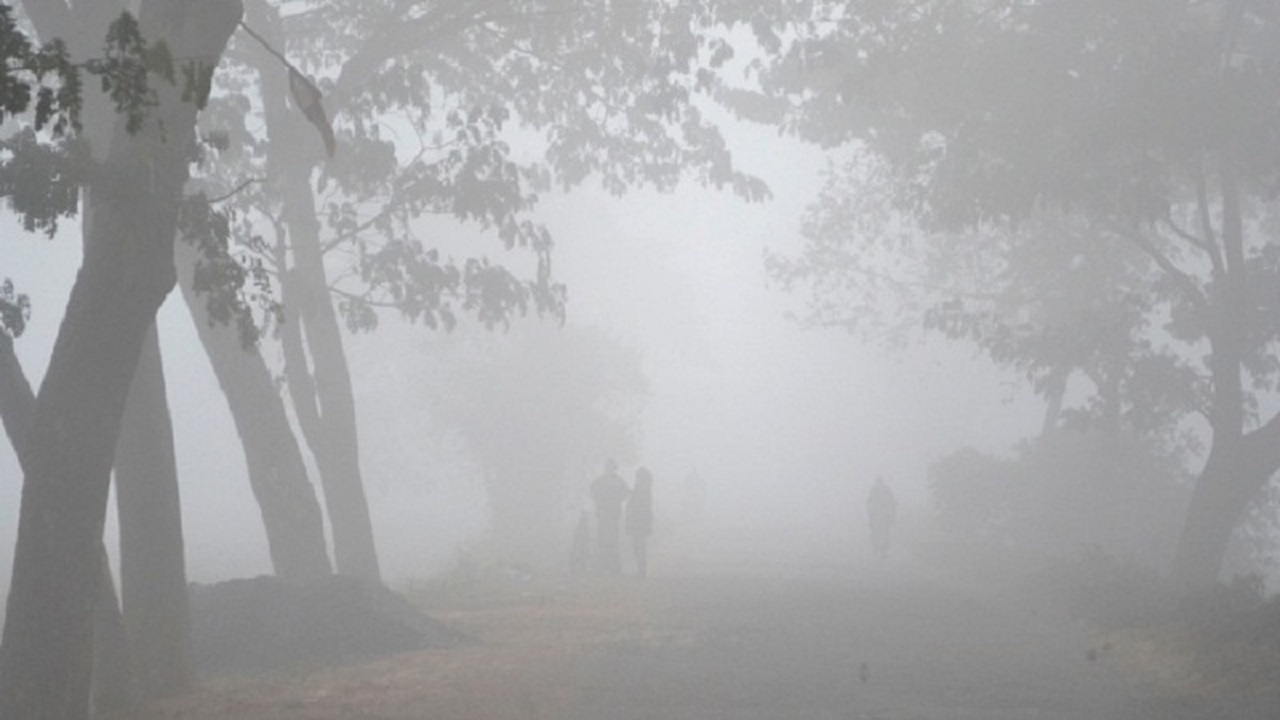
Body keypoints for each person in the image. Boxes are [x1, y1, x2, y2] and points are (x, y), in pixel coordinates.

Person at [591, 459, 630, 574]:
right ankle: (608, 566)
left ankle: (607, 566)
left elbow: (625, 493)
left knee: (608, 539)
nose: (610, 470)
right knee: (608, 539)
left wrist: (602, 501)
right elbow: (625, 493)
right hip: (609, 513)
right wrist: (615, 500)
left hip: (608, 513)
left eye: (611, 468)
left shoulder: (602, 481)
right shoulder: (615, 481)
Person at [626, 467, 655, 577]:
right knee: (638, 545)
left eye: (638, 476)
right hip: (640, 520)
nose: (636, 478)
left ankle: (641, 570)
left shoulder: (642, 490)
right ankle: (641, 569)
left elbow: (637, 506)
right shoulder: (643, 489)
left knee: (638, 545)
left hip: (639, 520)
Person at [867, 475, 897, 561]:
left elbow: (869, 503)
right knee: (885, 532)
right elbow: (893, 503)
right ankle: (884, 550)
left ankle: (876, 548)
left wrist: (870, 516)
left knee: (876, 532)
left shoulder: (873, 490)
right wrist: (893, 516)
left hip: (876, 515)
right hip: (885, 515)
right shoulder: (887, 490)